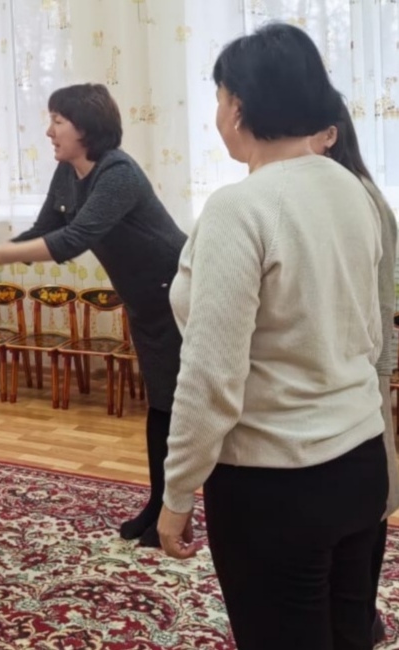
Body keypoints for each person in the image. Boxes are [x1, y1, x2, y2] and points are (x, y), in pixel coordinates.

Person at [157, 24, 387, 650]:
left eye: (218, 98)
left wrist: (176, 492)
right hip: (360, 460)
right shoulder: (354, 189)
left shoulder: (240, 207)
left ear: (237, 106)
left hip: (277, 483)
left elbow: (211, 375)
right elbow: (368, 335)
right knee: (348, 636)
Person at [0, 83, 186, 548]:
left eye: (57, 120)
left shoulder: (118, 173)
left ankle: (177, 508)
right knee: (162, 404)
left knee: (182, 407)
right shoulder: (68, 172)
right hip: (144, 299)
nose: (48, 131)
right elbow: (45, 230)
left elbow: (72, 240)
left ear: (86, 127)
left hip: (178, 295)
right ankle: (159, 504)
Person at [311, 96, 399, 646]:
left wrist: (378, 381)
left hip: (361, 373)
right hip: (341, 375)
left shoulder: (359, 198)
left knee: (370, 506)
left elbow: (378, 308)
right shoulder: (319, 194)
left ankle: (359, 617)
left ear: (330, 134)